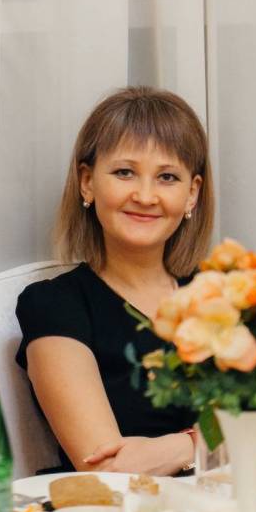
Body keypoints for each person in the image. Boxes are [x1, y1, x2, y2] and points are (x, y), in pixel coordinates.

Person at [16, 87, 214, 476]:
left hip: (227, 505)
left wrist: (183, 446)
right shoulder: (54, 305)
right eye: (125, 172)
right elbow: (107, 468)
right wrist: (224, 442)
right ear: (87, 182)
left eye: (167, 177)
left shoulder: (221, 293)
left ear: (192, 194)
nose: (146, 196)